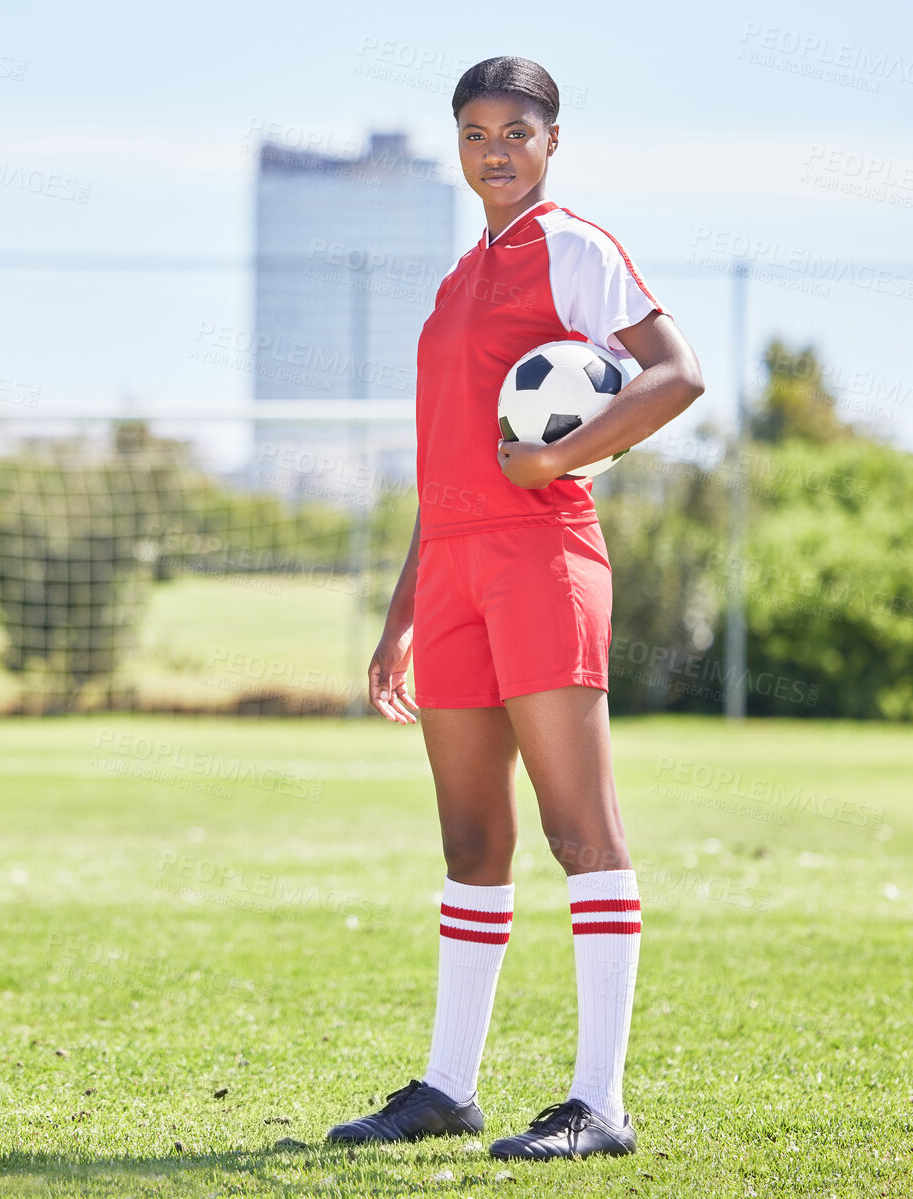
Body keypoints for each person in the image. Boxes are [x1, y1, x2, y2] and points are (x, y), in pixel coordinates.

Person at [324, 55, 705, 1162]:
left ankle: (599, 1101)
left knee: (577, 826)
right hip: (447, 572)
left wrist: (564, 459)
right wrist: (399, 611)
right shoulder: (453, 280)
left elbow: (674, 374)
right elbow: (438, 465)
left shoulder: (573, 247)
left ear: (550, 141)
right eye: (475, 132)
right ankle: (446, 1085)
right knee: (469, 835)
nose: (494, 149)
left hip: (541, 558)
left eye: (515, 132)